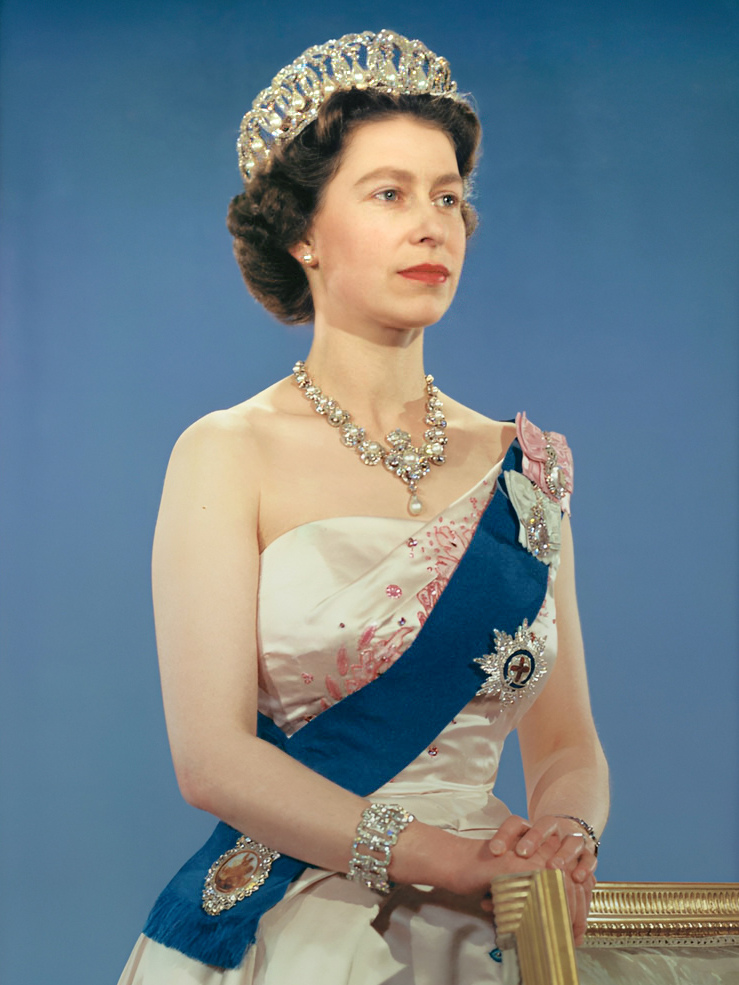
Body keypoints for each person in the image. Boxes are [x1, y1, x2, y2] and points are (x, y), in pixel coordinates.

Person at [118, 29, 609, 985]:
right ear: (302, 231)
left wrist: (562, 837)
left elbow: (568, 741)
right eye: (388, 194)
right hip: (307, 919)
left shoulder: (526, 468)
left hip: (504, 919)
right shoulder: (227, 452)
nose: (432, 225)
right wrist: (437, 856)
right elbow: (210, 758)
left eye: (448, 197)